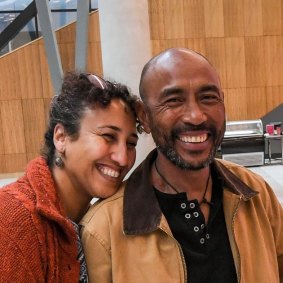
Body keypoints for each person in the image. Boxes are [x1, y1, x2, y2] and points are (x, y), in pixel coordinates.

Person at [81, 48, 283, 283]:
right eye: (174, 100)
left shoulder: (257, 195)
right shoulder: (103, 231)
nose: (196, 116)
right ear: (144, 116)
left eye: (208, 97)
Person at [0, 71, 141, 282]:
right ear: (61, 137)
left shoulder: (91, 220)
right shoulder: (14, 220)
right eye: (108, 136)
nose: (123, 158)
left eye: (131, 143)